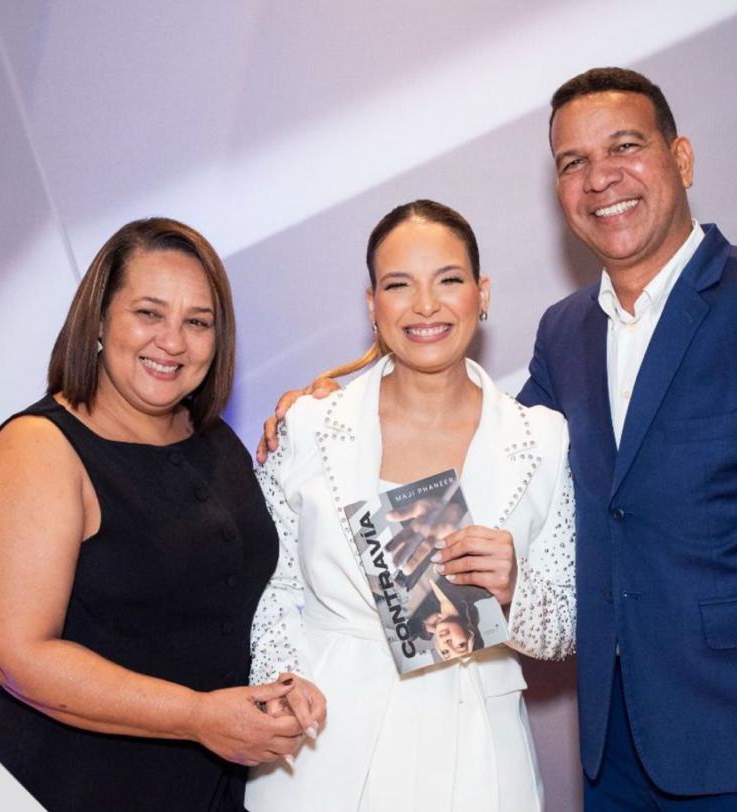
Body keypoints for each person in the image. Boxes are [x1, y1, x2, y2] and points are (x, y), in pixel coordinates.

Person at [261, 69, 737, 811]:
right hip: (613, 751)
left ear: (681, 158)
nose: (600, 179)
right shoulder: (566, 333)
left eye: (624, 147)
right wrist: (335, 396)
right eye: (574, 162)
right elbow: (482, 446)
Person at [0, 217, 319, 812]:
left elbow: (238, 599)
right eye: (149, 313)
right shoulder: (40, 447)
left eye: (197, 322)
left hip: (208, 788)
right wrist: (196, 715)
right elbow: (7, 652)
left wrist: (322, 423)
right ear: (100, 322)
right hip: (67, 787)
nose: (172, 342)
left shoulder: (212, 437)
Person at [245, 200, 576, 812]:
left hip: (475, 749)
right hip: (325, 742)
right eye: (399, 285)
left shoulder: (541, 438)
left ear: (481, 293)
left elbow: (563, 630)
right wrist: (281, 683)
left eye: (448, 280)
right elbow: (275, 586)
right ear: (372, 305)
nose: (426, 305)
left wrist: (515, 591)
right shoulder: (309, 426)